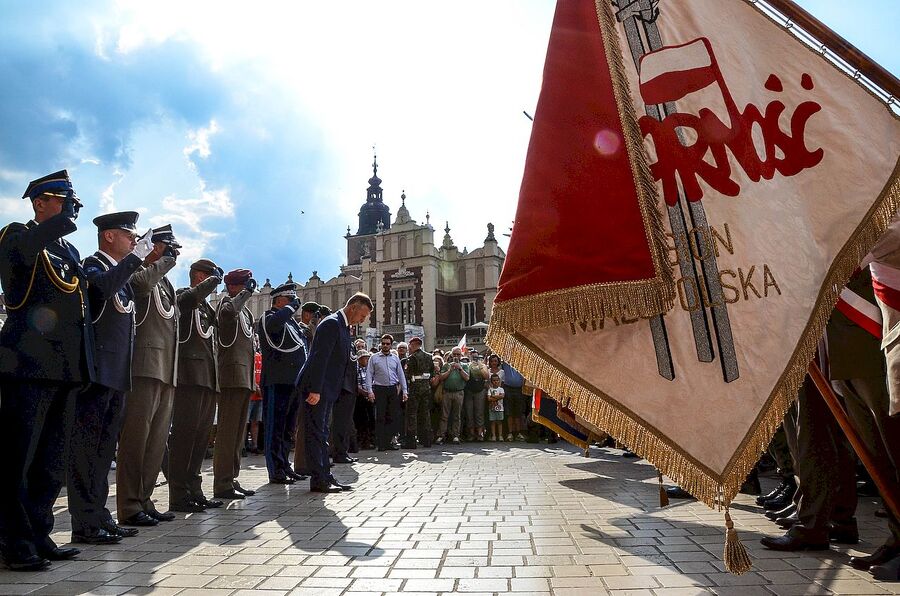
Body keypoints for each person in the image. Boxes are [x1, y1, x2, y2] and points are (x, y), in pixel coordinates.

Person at [0, 170, 90, 570]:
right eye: (65, 200)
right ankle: (14, 541)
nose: (72, 208)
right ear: (40, 203)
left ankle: (39, 532)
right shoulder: (16, 235)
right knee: (18, 458)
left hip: (65, 368)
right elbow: (19, 256)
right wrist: (58, 223)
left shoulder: (67, 251)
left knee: (50, 462)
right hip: (28, 365)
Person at [68, 211, 152, 546]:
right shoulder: (94, 266)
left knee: (104, 452)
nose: (134, 241)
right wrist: (135, 259)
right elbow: (101, 290)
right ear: (108, 237)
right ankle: (84, 522)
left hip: (117, 376)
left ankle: (99, 515)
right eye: (128, 235)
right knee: (86, 450)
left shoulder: (122, 273)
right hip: (97, 375)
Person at [116, 225, 183, 527]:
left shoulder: (165, 283)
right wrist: (161, 259)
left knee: (156, 441)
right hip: (144, 367)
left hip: (165, 369)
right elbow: (138, 287)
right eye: (167, 246)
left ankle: (144, 499)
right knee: (136, 440)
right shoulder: (135, 270)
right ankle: (129, 505)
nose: (172, 252)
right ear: (151, 246)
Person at [298, 292, 373, 493]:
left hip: (327, 388)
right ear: (353, 307)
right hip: (318, 388)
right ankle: (319, 479)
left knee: (322, 433)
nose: (363, 320)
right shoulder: (331, 324)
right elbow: (319, 358)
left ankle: (325, 476)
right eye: (363, 315)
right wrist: (315, 389)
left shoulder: (342, 326)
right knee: (316, 433)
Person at [168, 259, 222, 512]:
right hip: (189, 376)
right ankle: (179, 494)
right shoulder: (182, 296)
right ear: (199, 277)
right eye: (209, 278)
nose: (213, 284)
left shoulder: (208, 309)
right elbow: (188, 300)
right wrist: (213, 283)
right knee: (184, 437)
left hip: (208, 378)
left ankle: (195, 488)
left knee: (201, 438)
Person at [213, 268, 258, 500]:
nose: (248, 289)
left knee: (239, 434)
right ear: (232, 287)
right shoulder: (226, 304)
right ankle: (221, 484)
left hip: (244, 379)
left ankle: (232, 477)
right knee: (228, 433)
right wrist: (244, 294)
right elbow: (229, 312)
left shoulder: (247, 314)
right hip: (231, 377)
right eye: (243, 285)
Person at [258, 282, 308, 484]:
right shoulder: (269, 318)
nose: (293, 304)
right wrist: (290, 308)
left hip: (293, 382)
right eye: (290, 300)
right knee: (275, 427)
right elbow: (274, 325)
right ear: (279, 301)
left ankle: (285, 465)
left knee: (288, 428)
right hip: (277, 381)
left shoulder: (291, 324)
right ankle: (275, 469)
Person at [365, 334, 409, 451]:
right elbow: (369, 375)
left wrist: (404, 391)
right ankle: (381, 443)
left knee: (392, 416)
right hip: (380, 389)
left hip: (392, 389)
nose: (385, 346)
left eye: (387, 344)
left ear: (391, 345)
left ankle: (389, 442)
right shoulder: (374, 358)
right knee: (380, 416)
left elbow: (401, 375)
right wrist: (369, 391)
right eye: (383, 343)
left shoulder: (395, 358)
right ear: (380, 344)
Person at [403, 336, 433, 448]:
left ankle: (411, 441)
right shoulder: (429, 357)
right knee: (425, 414)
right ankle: (427, 440)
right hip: (426, 387)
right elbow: (431, 371)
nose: (409, 347)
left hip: (415, 387)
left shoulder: (412, 358)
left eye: (410, 344)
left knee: (412, 414)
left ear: (414, 344)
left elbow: (407, 373)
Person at [436, 347, 469, 445]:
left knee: (457, 415)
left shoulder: (464, 365)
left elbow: (467, 378)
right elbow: (441, 377)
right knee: (444, 415)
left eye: (458, 354)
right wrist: (450, 370)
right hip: (447, 392)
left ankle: (455, 435)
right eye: (454, 354)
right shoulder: (446, 365)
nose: (456, 356)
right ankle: (441, 435)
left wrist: (460, 368)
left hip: (459, 392)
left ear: (461, 355)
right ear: (451, 355)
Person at [353, 350, 375, 450]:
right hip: (359, 397)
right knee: (360, 420)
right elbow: (355, 384)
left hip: (369, 396)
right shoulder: (355, 368)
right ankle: (361, 442)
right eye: (364, 358)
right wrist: (365, 393)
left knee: (370, 419)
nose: (366, 359)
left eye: (367, 357)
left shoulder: (369, 368)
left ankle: (369, 441)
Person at [463, 353, 488, 441]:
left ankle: (480, 434)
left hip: (480, 390)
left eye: (476, 357)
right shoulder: (467, 365)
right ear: (470, 357)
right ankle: (471, 434)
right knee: (469, 413)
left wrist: (480, 365)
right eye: (473, 357)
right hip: (469, 391)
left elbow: (486, 376)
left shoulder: (483, 366)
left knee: (479, 412)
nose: (475, 359)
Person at [501, 360, 527, 441]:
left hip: (519, 389)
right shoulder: (506, 361)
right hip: (508, 387)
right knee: (509, 412)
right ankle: (510, 433)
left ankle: (518, 432)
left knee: (518, 412)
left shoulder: (522, 362)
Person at [247, 347, 263, 454]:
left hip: (260, 395)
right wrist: (255, 386)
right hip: (250, 394)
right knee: (245, 422)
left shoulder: (261, 358)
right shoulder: (248, 357)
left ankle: (254, 445)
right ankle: (242, 446)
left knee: (256, 421)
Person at [487, 374, 505, 441]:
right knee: (493, 422)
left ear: (499, 381)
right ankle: (493, 435)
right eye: (494, 380)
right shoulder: (490, 389)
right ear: (491, 381)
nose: (495, 382)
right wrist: (498, 397)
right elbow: (489, 399)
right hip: (492, 408)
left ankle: (500, 435)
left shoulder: (501, 389)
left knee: (499, 422)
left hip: (500, 408)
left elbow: (502, 396)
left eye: (497, 380)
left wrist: (493, 396)